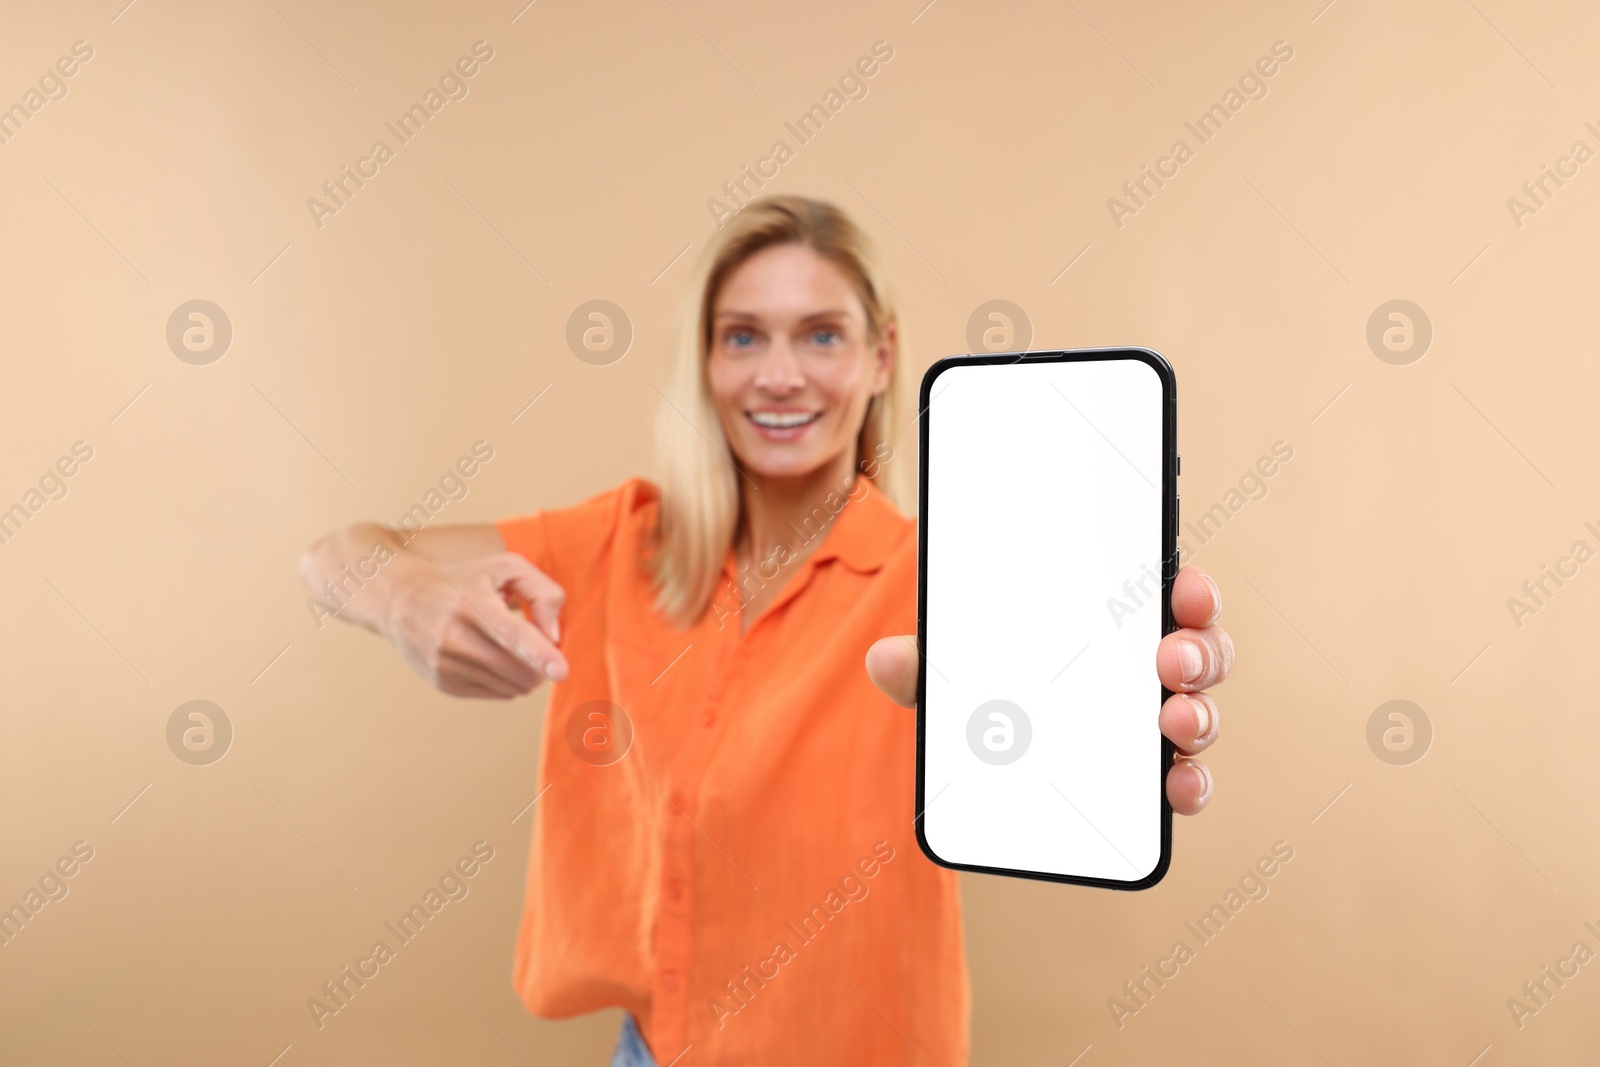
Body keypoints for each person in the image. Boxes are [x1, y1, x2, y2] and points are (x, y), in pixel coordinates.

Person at [300, 195, 1232, 1066]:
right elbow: (336, 554)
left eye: (821, 335)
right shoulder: (620, 540)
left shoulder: (943, 579)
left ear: (879, 356)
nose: (779, 375)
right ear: (703, 363)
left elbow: (1042, 693)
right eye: (742, 336)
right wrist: (406, 599)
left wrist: (1108, 704)